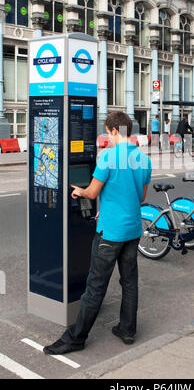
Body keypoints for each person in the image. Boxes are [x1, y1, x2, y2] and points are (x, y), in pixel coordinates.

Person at [43, 112, 152, 355]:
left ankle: (76, 338)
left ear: (115, 131)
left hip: (111, 233)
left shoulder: (108, 157)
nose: (108, 137)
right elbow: (140, 197)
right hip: (133, 230)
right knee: (129, 282)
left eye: (108, 132)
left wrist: (78, 191)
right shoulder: (144, 160)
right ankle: (127, 330)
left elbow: (92, 193)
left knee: (95, 285)